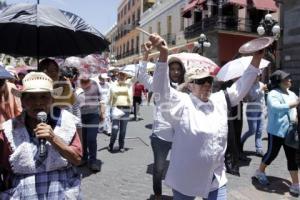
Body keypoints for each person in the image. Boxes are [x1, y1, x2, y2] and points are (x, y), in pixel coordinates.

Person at [150, 33, 263, 199]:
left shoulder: (219, 100)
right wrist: (163, 55)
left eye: (209, 80)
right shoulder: (181, 102)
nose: (207, 84)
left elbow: (241, 86)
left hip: (215, 179)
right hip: (185, 179)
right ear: (189, 85)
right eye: (201, 81)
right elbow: (161, 90)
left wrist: (256, 59)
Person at [0, 72, 82, 199]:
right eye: (31, 97)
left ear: (52, 100)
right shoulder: (9, 129)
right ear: (22, 101)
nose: (38, 103)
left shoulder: (67, 123)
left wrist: (53, 138)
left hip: (60, 193)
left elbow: (77, 159)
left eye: (44, 97)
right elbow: (4, 167)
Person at [136, 41, 187, 199]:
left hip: (181, 136)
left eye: (178, 69)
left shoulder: (189, 88)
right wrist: (146, 54)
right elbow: (141, 75)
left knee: (180, 168)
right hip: (161, 136)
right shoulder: (158, 85)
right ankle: (158, 195)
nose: (176, 72)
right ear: (167, 71)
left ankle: (180, 195)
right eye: (172, 69)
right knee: (158, 169)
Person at [253, 70, 300, 195]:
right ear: (279, 82)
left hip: (291, 131)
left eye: (289, 78)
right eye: (287, 78)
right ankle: (260, 171)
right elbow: (275, 107)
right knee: (272, 153)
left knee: (292, 157)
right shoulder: (273, 93)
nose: (290, 80)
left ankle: (296, 183)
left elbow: (297, 106)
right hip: (276, 131)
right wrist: (293, 104)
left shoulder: (292, 93)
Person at [77, 73, 105, 171]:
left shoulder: (95, 83)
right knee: (82, 139)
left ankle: (93, 160)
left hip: (93, 114)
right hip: (80, 115)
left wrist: (102, 112)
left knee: (91, 138)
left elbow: (101, 99)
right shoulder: (76, 84)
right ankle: (84, 158)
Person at [241, 73, 267, 156]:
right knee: (253, 130)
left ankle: (259, 149)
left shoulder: (261, 84)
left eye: (258, 75)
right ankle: (241, 141)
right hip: (252, 110)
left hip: (261, 110)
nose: (257, 77)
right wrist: (260, 90)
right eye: (255, 75)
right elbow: (251, 98)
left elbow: (263, 98)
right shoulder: (249, 85)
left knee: (259, 131)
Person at [108, 71, 133, 153]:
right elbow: (110, 95)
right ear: (117, 76)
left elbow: (136, 77)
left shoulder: (129, 84)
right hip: (116, 108)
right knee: (115, 128)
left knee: (123, 129)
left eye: (124, 75)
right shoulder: (113, 85)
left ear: (126, 77)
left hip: (126, 109)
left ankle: (121, 145)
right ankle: (111, 143)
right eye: (120, 75)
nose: (122, 76)